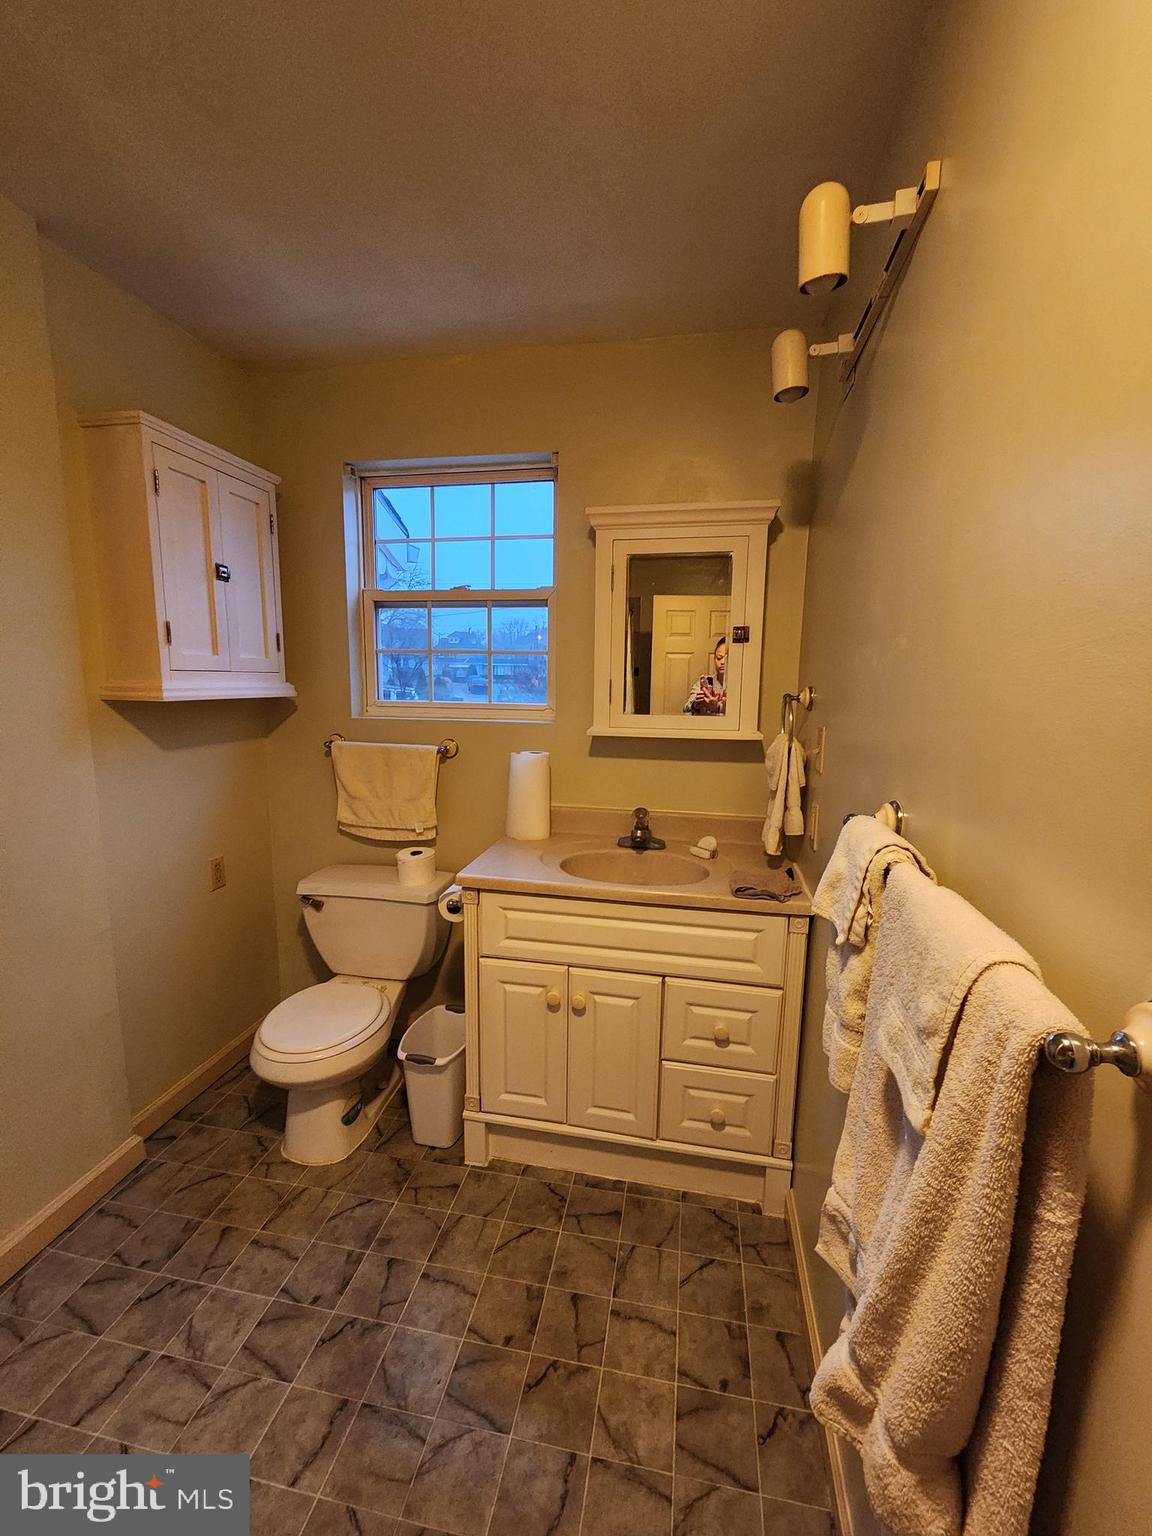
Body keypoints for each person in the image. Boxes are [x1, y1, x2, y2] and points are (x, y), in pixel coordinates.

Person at [683, 636, 727, 714]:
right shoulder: (705, 682)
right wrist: (696, 704)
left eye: (726, 658)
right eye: (719, 658)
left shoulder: (739, 687)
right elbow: (686, 708)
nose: (722, 662)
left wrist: (717, 707)